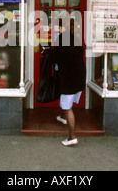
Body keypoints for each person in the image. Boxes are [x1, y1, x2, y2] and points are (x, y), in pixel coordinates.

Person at [43, 17, 86, 146]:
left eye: (59, 27)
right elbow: (67, 53)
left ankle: (72, 137)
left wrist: (47, 53)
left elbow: (55, 57)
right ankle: (62, 117)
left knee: (68, 107)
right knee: (67, 100)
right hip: (79, 76)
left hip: (69, 78)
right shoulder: (76, 39)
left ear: (63, 28)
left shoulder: (62, 38)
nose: (58, 29)